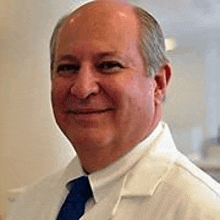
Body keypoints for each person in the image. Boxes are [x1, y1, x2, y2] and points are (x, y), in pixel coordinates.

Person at [7, 0, 220, 219]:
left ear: (158, 82)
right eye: (68, 68)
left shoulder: (202, 210)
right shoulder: (30, 203)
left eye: (108, 65)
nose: (82, 88)